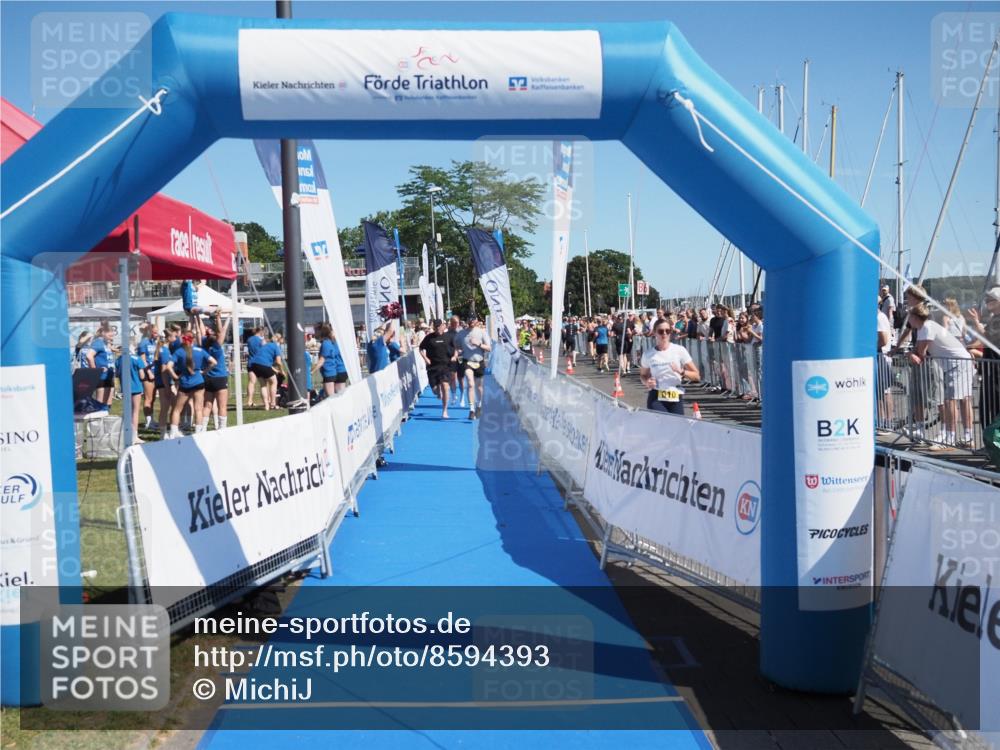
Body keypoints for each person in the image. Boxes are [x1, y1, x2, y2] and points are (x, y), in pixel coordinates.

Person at [908, 303, 975, 448]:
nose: (908, 320)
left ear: (914, 317)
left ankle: (950, 439)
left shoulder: (926, 327)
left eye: (909, 316)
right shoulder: (924, 327)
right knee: (963, 400)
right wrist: (913, 353)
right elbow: (919, 351)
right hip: (959, 362)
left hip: (957, 364)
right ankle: (967, 437)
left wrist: (909, 354)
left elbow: (921, 354)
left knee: (951, 400)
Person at [640, 318, 700, 416]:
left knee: (677, 428)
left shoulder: (679, 350)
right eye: (660, 331)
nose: (664, 334)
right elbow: (643, 375)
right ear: (654, 333)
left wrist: (682, 372)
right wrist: (647, 382)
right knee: (663, 423)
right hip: (656, 395)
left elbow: (697, 375)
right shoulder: (648, 354)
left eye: (667, 331)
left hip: (675, 394)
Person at [163, 332, 216, 438]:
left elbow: (168, 367)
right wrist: (204, 371)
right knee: (198, 408)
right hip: (198, 381)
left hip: (185, 383)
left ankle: (173, 433)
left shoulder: (179, 351)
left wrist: (175, 377)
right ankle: (198, 432)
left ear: (183, 340)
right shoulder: (200, 351)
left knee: (177, 409)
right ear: (193, 339)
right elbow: (214, 362)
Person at [419, 319, 458, 419]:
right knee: (436, 391)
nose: (437, 328)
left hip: (445, 366)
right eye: (435, 327)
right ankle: (438, 391)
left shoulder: (449, 337)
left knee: (445, 387)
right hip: (433, 367)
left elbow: (457, 348)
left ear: (443, 326)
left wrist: (455, 356)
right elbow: (420, 348)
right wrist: (425, 358)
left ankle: (444, 411)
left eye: (439, 326)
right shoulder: (429, 338)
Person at [457, 315, 491, 419]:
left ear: (476, 321)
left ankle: (479, 405)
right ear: (467, 321)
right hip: (467, 361)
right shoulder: (462, 333)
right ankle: (471, 410)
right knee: (471, 384)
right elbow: (456, 345)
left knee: (479, 387)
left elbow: (489, 348)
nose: (471, 322)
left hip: (479, 361)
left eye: (473, 320)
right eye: (469, 320)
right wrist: (458, 352)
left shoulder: (482, 332)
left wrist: (479, 344)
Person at [202, 310, 231, 431]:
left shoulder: (203, 344)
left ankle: (202, 428)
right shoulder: (217, 347)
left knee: (208, 405)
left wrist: (226, 317)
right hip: (219, 377)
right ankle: (222, 428)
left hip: (208, 377)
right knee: (222, 406)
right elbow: (221, 332)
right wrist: (220, 318)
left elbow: (219, 332)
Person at [154, 326, 179, 438]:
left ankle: (174, 429)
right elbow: (164, 371)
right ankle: (163, 434)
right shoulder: (164, 351)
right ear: (168, 338)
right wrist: (167, 386)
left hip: (167, 382)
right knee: (165, 407)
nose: (176, 337)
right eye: (174, 336)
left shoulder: (166, 349)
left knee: (174, 405)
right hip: (163, 383)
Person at [314, 322, 349, 397]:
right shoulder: (335, 342)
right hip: (340, 371)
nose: (314, 333)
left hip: (334, 371)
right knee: (340, 397)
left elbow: (322, 360)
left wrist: (311, 371)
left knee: (332, 398)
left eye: (316, 330)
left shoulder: (328, 343)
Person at [247, 331, 280, 411]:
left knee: (263, 384)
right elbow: (279, 362)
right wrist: (281, 371)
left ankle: (266, 406)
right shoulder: (275, 346)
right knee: (274, 382)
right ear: (279, 340)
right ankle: (272, 404)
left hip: (254, 364)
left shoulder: (265, 345)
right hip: (262, 364)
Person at [137, 324, 159, 431]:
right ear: (149, 332)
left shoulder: (154, 342)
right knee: (148, 398)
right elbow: (142, 359)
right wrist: (149, 372)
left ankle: (152, 419)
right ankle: (148, 421)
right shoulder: (144, 343)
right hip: (147, 374)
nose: (157, 334)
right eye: (155, 332)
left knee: (153, 398)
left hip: (155, 372)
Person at [91, 327, 115, 411]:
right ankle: (97, 423)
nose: (113, 334)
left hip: (109, 375)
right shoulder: (98, 342)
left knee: (108, 404)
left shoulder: (106, 344)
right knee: (100, 405)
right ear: (103, 333)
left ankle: (106, 423)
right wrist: (95, 371)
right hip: (102, 377)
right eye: (110, 332)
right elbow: (89, 356)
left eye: (113, 332)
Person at [245, 327, 265, 407]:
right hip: (259, 363)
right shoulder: (261, 340)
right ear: (260, 331)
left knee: (251, 382)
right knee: (263, 383)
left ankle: (249, 401)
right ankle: (266, 402)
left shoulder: (249, 339)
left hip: (250, 363)